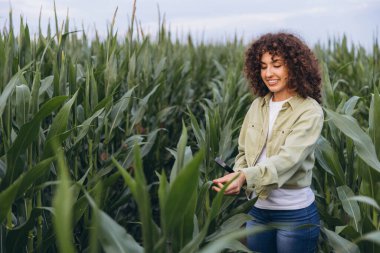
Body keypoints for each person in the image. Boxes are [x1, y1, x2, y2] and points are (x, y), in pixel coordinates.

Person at [212, 32, 324, 253]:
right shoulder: (258, 106)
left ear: (294, 66)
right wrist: (238, 175)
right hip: (257, 211)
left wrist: (245, 176)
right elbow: (244, 151)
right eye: (263, 66)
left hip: (294, 214)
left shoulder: (310, 111)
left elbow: (288, 160)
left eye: (276, 65)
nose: (268, 73)